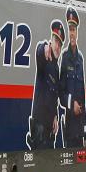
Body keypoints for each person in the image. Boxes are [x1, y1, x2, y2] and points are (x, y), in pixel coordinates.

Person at [26, 20, 65, 149]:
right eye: (56, 42)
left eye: (60, 44)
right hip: (39, 130)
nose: (58, 47)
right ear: (51, 41)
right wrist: (44, 47)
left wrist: (55, 116)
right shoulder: (45, 57)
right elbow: (39, 52)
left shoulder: (56, 68)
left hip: (49, 132)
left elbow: (54, 97)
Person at [59, 7, 86, 147]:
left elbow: (83, 93)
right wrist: (72, 104)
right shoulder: (65, 57)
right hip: (70, 123)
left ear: (77, 32)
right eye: (69, 29)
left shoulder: (80, 59)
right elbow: (61, 91)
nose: (71, 33)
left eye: (73, 29)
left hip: (80, 125)